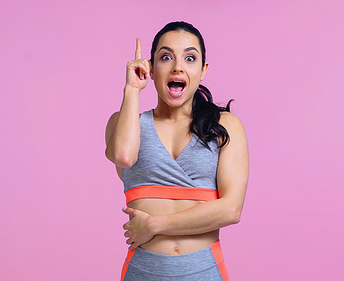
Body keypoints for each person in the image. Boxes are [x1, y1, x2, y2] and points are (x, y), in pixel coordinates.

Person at [105, 21, 249, 281]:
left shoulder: (225, 126)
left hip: (204, 271)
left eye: (190, 58)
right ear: (151, 67)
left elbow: (230, 210)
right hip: (142, 272)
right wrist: (132, 90)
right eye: (166, 57)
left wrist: (154, 225)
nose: (178, 67)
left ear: (203, 70)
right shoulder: (124, 123)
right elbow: (124, 157)